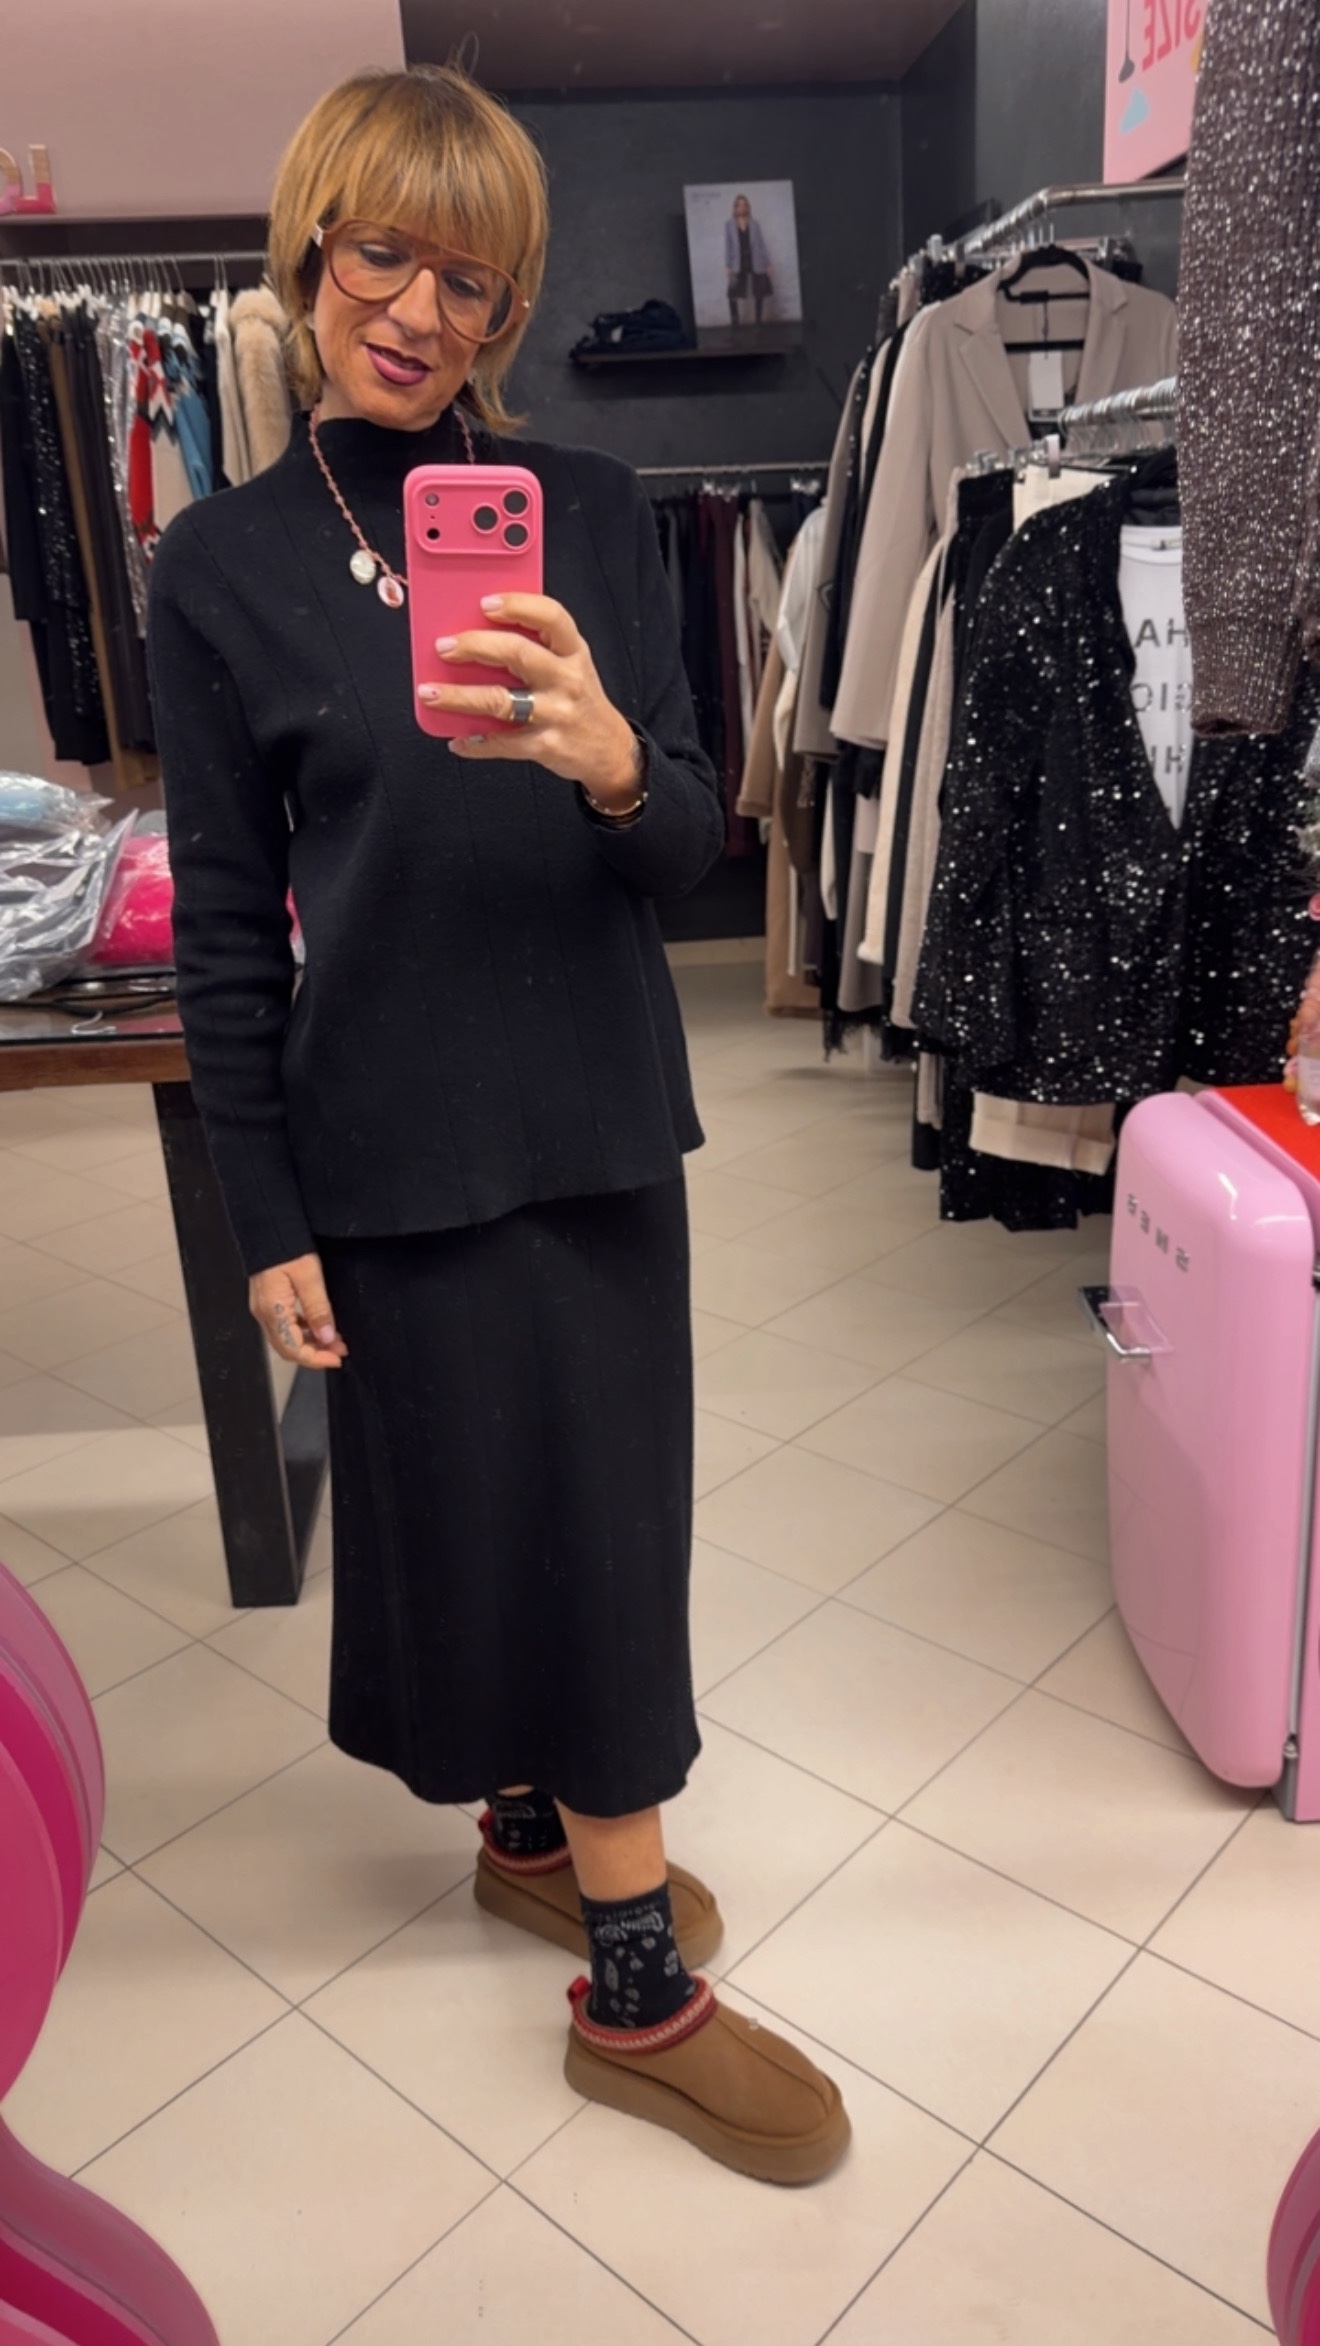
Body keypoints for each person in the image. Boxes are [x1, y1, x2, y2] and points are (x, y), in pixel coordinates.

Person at [147, 64, 848, 2186]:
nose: (419, 313)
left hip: (598, 1114)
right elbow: (228, 936)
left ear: (507, 307)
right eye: (384, 255)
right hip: (383, 1139)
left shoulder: (593, 507)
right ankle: (605, 1945)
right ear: (311, 251)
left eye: (470, 280)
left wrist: (614, 756)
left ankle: (588, 1900)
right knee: (473, 1519)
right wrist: (264, 1215)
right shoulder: (218, 567)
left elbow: (688, 846)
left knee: (607, 1530)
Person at [724, 194, 774, 326]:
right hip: (738, 261)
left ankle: (758, 321)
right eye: (739, 205)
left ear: (748, 207)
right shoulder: (729, 225)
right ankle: (735, 321)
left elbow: (762, 244)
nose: (742, 207)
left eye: (744, 205)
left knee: (759, 291)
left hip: (755, 260)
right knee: (732, 293)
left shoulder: (755, 224)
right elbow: (728, 246)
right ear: (735, 208)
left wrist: (768, 264)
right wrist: (728, 265)